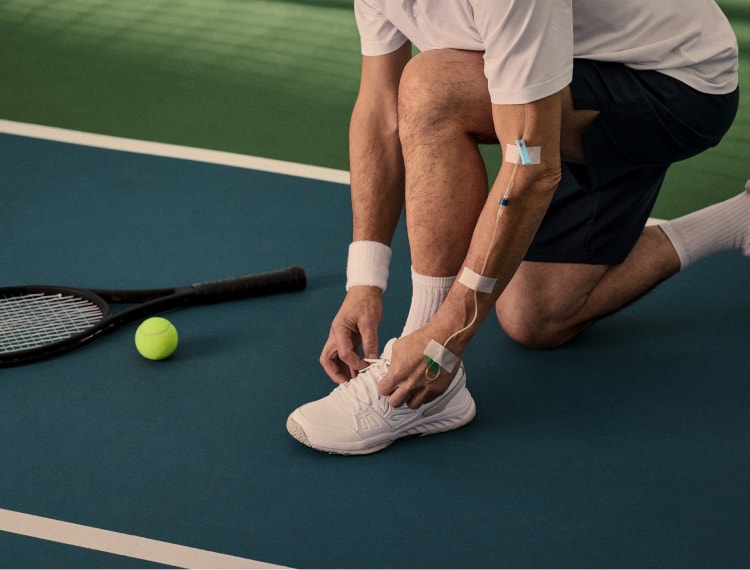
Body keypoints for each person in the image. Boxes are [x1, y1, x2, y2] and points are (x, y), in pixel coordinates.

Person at [286, 0, 743, 455]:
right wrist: (365, 279)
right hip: (570, 69)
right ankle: (738, 219)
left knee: (434, 86)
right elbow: (379, 108)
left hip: (676, 84)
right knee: (537, 317)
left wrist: (439, 344)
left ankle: (422, 389)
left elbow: (531, 165)